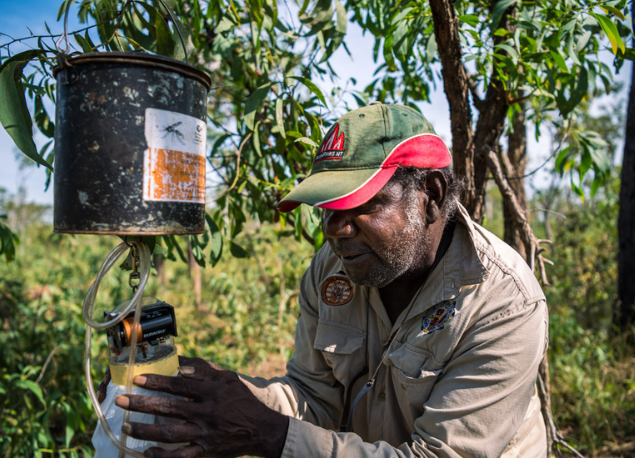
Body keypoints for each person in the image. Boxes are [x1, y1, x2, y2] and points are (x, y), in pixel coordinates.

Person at [109, 103, 549, 458]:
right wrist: (224, 396)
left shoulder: (503, 303)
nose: (336, 229)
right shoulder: (332, 269)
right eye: (328, 208)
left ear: (430, 195)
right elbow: (313, 399)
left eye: (362, 204)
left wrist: (267, 434)